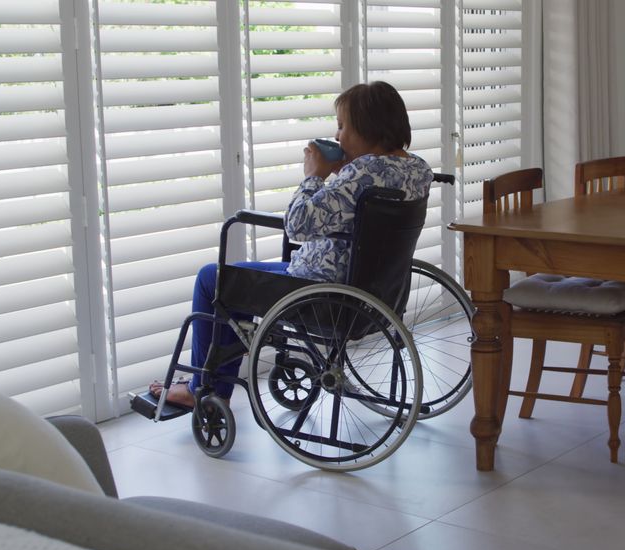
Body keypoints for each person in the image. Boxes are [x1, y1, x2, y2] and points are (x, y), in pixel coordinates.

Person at [151, 81, 434, 408]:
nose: (338, 136)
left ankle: (204, 388)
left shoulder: (359, 174)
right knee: (238, 282)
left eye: (342, 126)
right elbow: (361, 201)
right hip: (377, 295)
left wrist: (313, 176)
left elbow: (298, 226)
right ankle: (213, 379)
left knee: (211, 279)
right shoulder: (416, 169)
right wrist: (342, 176)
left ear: (369, 128)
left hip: (320, 294)